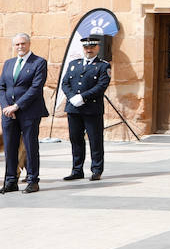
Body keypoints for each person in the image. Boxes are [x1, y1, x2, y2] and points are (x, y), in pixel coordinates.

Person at [1, 33, 48, 194]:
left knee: (30, 146)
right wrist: (6, 107)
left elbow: (35, 88)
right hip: (8, 114)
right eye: (17, 44)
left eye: (23, 43)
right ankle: (10, 180)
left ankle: (33, 181)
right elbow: (2, 87)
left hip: (29, 112)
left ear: (29, 44)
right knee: (9, 147)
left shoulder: (39, 62)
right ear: (14, 46)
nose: (20, 47)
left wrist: (17, 106)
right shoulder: (8, 63)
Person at [59, 35, 111, 182]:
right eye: (86, 47)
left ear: (97, 48)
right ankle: (77, 170)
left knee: (95, 140)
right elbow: (65, 83)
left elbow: (101, 85)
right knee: (75, 139)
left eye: (92, 47)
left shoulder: (103, 66)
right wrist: (71, 97)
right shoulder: (73, 64)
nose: (89, 50)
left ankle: (96, 169)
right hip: (74, 108)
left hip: (92, 109)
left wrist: (83, 97)